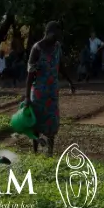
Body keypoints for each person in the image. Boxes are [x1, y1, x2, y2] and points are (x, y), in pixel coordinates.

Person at [25, 21, 75, 157]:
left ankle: (50, 152)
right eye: (57, 34)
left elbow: (61, 65)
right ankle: (35, 151)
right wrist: (27, 97)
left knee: (52, 121)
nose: (59, 37)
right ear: (51, 33)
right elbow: (30, 74)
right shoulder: (37, 49)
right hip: (39, 93)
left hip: (52, 92)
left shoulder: (57, 47)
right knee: (36, 122)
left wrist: (70, 81)